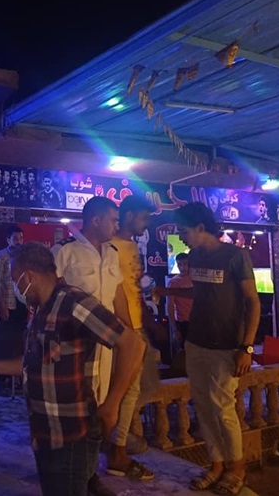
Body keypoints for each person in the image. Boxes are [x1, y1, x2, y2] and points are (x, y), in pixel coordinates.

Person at [0, 242, 146, 496]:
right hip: (46, 433)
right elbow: (36, 364)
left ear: (28, 276)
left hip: (71, 435)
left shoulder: (74, 302)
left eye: (16, 280)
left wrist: (112, 404)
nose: (16, 288)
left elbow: (133, 345)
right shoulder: (41, 310)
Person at [154, 202, 260, 496]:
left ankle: (237, 468)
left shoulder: (235, 256)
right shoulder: (196, 256)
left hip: (226, 346)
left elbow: (252, 302)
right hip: (196, 343)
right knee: (202, 406)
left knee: (223, 408)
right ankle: (216, 465)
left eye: (183, 231)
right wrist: (167, 291)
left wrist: (247, 347)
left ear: (201, 227)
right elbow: (199, 293)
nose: (181, 236)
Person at [52, 196, 132, 494]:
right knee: (75, 408)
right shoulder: (65, 252)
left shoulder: (111, 253)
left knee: (99, 406)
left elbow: (118, 295)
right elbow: (48, 294)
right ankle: (69, 472)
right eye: (113, 220)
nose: (117, 226)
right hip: (75, 344)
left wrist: (130, 333)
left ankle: (89, 472)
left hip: (106, 346)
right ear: (95, 220)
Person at [106, 195, 156, 480]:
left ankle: (116, 439)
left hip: (135, 327)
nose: (146, 224)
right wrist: (128, 332)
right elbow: (113, 292)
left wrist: (145, 321)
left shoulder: (132, 246)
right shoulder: (111, 247)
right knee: (127, 390)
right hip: (123, 330)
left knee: (138, 388)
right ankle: (117, 449)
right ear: (128, 217)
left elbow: (132, 288)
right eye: (143, 218)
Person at [0, 225, 27, 328]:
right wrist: (2, 305)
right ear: (8, 240)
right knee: (7, 330)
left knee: (21, 329)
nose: (19, 241)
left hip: (23, 300)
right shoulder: (1, 256)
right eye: (15, 238)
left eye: (21, 238)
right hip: (8, 301)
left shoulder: (25, 256)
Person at [168, 252, 192, 347]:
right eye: (179, 265)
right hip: (183, 322)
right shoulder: (173, 282)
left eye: (185, 264)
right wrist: (175, 329)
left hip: (198, 321)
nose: (182, 267)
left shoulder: (196, 278)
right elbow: (170, 306)